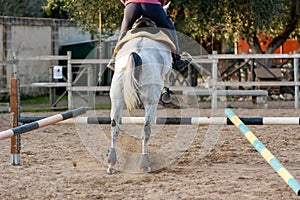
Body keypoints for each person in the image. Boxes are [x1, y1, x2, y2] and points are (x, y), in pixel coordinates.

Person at [107, 0, 191, 72]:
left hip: (132, 5)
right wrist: (160, 4)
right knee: (170, 28)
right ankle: (177, 60)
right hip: (151, 5)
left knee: (124, 32)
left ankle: (114, 59)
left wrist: (128, 3)